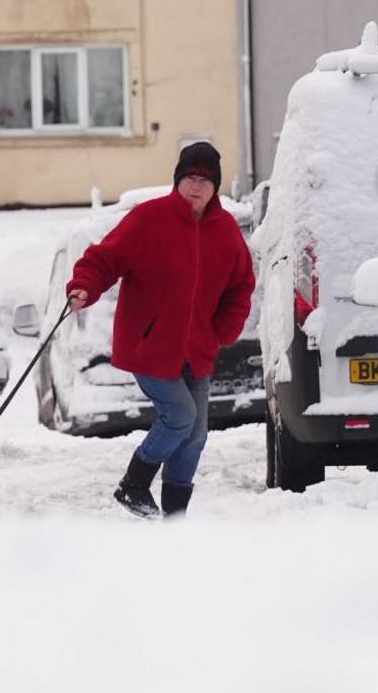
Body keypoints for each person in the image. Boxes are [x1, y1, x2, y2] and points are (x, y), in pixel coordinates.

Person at [66, 141, 255, 519]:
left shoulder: (225, 231)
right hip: (149, 345)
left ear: (216, 187)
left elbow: (241, 286)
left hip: (197, 350)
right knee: (180, 417)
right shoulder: (149, 218)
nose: (196, 185)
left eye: (204, 179)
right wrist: (84, 286)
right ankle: (133, 485)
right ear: (178, 180)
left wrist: (220, 331)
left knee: (195, 436)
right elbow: (105, 258)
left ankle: (174, 518)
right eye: (189, 177)